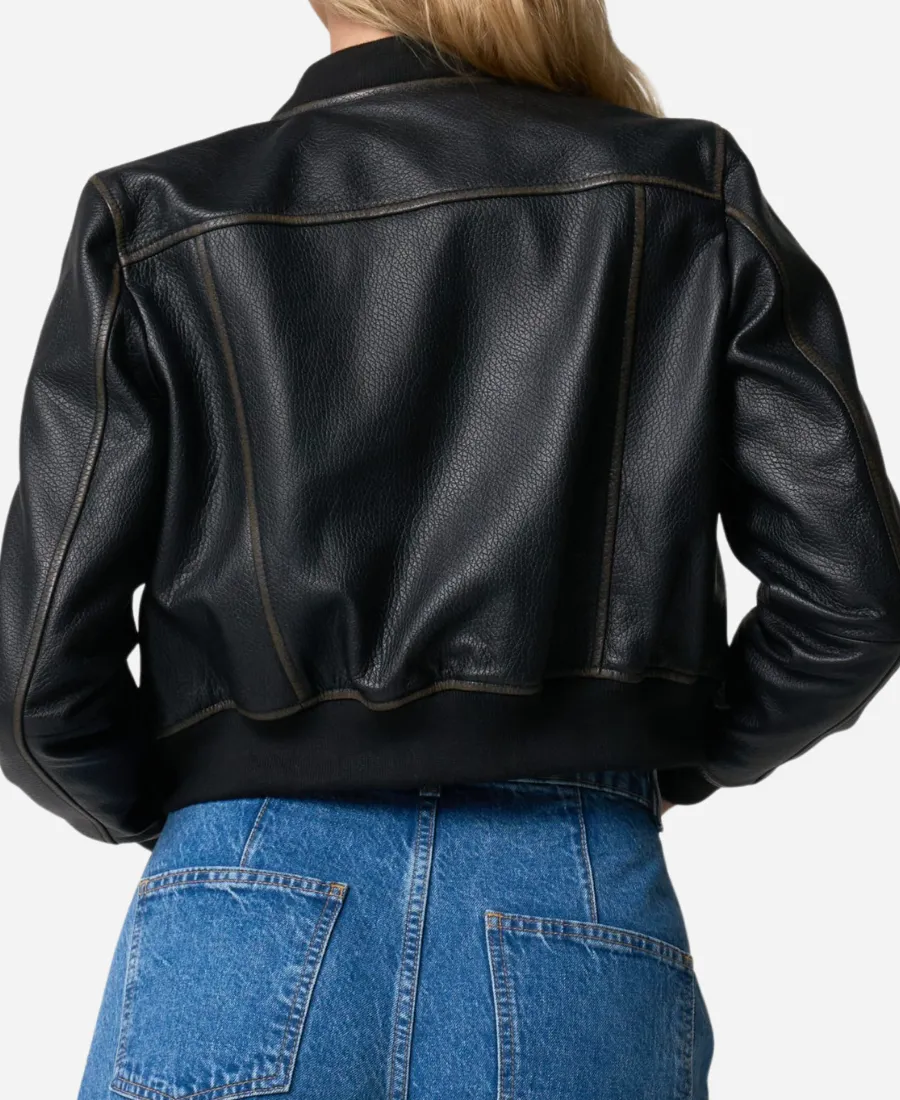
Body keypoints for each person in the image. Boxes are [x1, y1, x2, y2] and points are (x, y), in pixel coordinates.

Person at [1, 0, 897, 1095]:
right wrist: (651, 753)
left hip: (240, 889)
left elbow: (39, 680)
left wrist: (205, 800)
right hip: (574, 883)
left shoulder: (157, 218)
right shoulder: (683, 192)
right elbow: (851, 603)